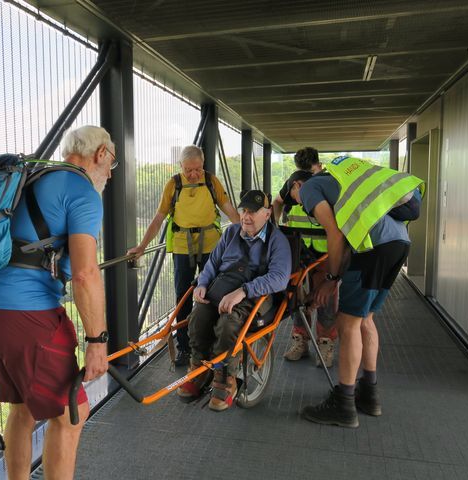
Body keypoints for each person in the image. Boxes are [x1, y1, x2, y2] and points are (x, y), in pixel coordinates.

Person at [0, 125, 115, 479]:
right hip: (27, 317)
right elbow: (85, 274)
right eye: (113, 162)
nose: (111, 172)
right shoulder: (81, 190)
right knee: (71, 413)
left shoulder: (30, 177)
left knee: (22, 410)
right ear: (100, 154)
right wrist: (98, 342)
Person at [289, 155, 423, 428]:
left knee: (347, 323)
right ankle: (369, 394)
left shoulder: (311, 189)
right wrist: (335, 277)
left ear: (298, 186)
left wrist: (331, 279)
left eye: (296, 198)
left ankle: (344, 404)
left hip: (375, 247)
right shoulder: (344, 182)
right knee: (365, 319)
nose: (301, 206)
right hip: (399, 242)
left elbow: (335, 235)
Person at [176, 190, 292, 411]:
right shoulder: (231, 234)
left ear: (267, 215)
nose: (246, 217)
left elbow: (279, 278)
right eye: (244, 211)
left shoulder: (277, 241)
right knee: (198, 316)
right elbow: (212, 263)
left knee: (228, 323)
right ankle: (199, 367)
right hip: (222, 286)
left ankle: (224, 376)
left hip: (255, 292)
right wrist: (202, 283)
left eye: (253, 212)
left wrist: (243, 291)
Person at [128, 145, 239, 366]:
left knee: (214, 292)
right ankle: (185, 348)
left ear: (203, 165)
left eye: (197, 169)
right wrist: (142, 246)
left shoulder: (211, 181)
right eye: (188, 170)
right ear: (181, 166)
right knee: (183, 296)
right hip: (182, 247)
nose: (193, 174)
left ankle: (211, 343)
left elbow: (230, 210)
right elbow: (159, 218)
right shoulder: (173, 184)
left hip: (210, 246)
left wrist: (248, 235)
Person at [273, 148, 339, 367]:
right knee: (296, 297)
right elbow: (277, 201)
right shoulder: (295, 182)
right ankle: (300, 340)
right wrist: (275, 229)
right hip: (300, 250)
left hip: (324, 251)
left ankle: (326, 343)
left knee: (325, 299)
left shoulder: (327, 182)